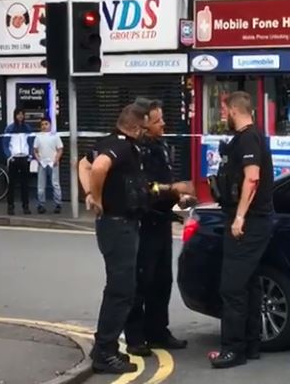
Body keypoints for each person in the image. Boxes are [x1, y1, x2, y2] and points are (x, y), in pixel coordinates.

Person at [77, 103, 186, 374]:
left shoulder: (115, 143)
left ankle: (105, 347)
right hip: (118, 226)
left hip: (122, 224)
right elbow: (98, 167)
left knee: (122, 289)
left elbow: (84, 163)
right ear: (137, 126)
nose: (153, 126)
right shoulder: (122, 146)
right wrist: (96, 197)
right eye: (149, 122)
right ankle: (104, 352)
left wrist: (89, 194)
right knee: (121, 291)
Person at [124, 98, 195, 356]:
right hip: (144, 222)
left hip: (163, 221)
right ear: (144, 124)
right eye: (158, 121)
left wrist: (180, 199)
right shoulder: (136, 151)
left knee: (162, 281)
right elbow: (144, 188)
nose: (163, 124)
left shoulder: (162, 146)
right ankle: (135, 337)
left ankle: (158, 331)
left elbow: (165, 183)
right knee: (141, 281)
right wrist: (171, 190)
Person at [209, 91, 275, 369]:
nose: (223, 116)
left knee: (232, 287)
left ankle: (232, 350)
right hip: (256, 220)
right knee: (248, 284)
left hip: (249, 222)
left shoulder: (247, 138)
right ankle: (250, 345)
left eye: (224, 111)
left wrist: (239, 218)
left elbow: (252, 178)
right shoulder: (252, 137)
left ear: (234, 110)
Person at [2, 108, 33, 215]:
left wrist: (30, 155)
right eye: (18, 114)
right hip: (14, 158)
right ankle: (10, 206)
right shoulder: (10, 128)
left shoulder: (28, 128)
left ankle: (26, 206)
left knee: (25, 184)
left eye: (22, 114)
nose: (20, 116)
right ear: (15, 115)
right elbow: (5, 144)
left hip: (24, 157)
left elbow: (31, 143)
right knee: (12, 184)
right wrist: (9, 156)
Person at [33, 118, 63, 214]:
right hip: (42, 164)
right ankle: (41, 205)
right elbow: (35, 150)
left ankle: (58, 204)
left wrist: (56, 159)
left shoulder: (55, 136)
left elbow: (60, 149)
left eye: (46, 124)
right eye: (42, 124)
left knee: (55, 184)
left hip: (53, 163)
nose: (44, 126)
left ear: (50, 125)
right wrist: (39, 160)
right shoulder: (38, 137)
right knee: (41, 186)